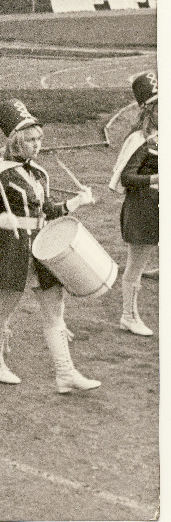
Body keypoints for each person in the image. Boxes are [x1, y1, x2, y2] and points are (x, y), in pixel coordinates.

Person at [0, 98, 99, 393]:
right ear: (16, 142)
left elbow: (48, 210)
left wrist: (76, 202)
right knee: (5, 307)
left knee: (54, 308)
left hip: (42, 248)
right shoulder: (0, 174)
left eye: (39, 139)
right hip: (12, 248)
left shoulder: (39, 173)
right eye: (30, 140)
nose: (37, 145)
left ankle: (65, 373)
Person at [109, 71, 158, 336]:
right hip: (143, 209)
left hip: (158, 207)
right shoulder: (140, 139)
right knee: (135, 266)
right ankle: (128, 316)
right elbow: (126, 178)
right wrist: (156, 178)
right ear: (149, 110)